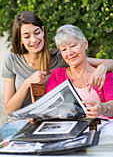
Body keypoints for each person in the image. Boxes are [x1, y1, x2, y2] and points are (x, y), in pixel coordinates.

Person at [1, 11, 113, 140]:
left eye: (37, 33)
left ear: (43, 31)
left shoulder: (61, 57)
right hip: (20, 121)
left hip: (46, 120)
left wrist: (102, 68)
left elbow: (89, 61)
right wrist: (27, 83)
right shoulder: (12, 60)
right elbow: (10, 109)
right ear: (20, 39)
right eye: (26, 36)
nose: (34, 39)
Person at [46, 24, 113, 119]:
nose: (69, 53)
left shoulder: (102, 74)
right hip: (69, 129)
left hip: (101, 127)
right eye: (64, 49)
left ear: (85, 43)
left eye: (73, 45)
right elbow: (49, 106)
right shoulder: (57, 75)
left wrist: (103, 108)